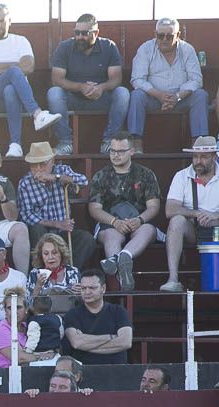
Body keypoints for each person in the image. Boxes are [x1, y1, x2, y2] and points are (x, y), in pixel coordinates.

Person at [0, 4, 60, 159]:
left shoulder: (21, 41)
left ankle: (15, 145)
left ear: (9, 21)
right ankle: (37, 114)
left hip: (17, 100)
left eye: (2, 20)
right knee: (14, 72)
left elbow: (29, 66)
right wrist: (13, 68)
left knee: (10, 89)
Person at [89, 130, 162, 292]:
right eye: (112, 151)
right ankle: (121, 282)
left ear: (131, 151)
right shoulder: (101, 176)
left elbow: (154, 206)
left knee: (148, 229)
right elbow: (94, 209)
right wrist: (114, 222)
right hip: (110, 224)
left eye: (121, 151)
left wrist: (139, 220)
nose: (115, 155)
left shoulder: (145, 174)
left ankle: (123, 257)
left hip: (139, 222)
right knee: (111, 236)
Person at [46, 14, 128, 155]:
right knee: (53, 93)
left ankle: (109, 142)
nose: (79, 37)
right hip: (73, 98)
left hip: (101, 98)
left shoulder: (109, 46)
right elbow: (57, 79)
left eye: (84, 33)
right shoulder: (65, 47)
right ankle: (65, 143)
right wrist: (81, 87)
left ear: (96, 33)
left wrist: (100, 88)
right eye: (77, 33)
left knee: (123, 93)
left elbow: (116, 79)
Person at [127, 17, 208, 152]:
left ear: (178, 35)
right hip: (153, 98)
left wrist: (177, 96)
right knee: (136, 96)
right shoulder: (145, 49)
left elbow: (196, 80)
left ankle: (199, 146)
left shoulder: (187, 50)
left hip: (181, 98)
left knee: (201, 95)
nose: (164, 39)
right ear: (155, 34)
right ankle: (136, 146)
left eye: (169, 36)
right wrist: (159, 95)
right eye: (160, 35)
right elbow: (137, 79)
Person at [16, 141, 94, 269]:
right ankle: (43, 272)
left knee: (87, 239)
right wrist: (56, 223)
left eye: (42, 164)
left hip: (62, 232)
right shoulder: (25, 183)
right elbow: (26, 215)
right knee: (36, 229)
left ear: (52, 161)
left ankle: (68, 272)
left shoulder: (62, 170)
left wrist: (56, 177)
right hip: (42, 233)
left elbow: (84, 181)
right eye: (34, 165)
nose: (38, 169)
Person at [164, 135, 219, 293]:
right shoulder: (181, 176)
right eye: (195, 156)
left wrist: (215, 215)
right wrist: (196, 213)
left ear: (214, 157)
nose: (198, 161)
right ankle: (173, 279)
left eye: (203, 157)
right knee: (176, 221)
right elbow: (170, 209)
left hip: (217, 229)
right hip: (194, 229)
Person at [62, 268, 132, 365]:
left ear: (103, 289)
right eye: (83, 288)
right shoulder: (72, 314)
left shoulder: (119, 312)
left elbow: (125, 342)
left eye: (92, 288)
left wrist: (86, 342)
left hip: (116, 371)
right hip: (84, 372)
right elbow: (77, 343)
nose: (87, 292)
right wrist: (110, 337)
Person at [0, 287, 56, 367]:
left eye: (18, 307)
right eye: (10, 308)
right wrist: (43, 357)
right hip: (2, 373)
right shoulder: (1, 329)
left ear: (26, 309)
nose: (14, 311)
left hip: (27, 370)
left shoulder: (28, 326)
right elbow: (20, 358)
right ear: (5, 310)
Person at [27, 233, 81, 312]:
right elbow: (30, 306)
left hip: (69, 316)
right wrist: (38, 285)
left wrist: (80, 293)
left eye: (54, 252)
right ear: (41, 256)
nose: (50, 257)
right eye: (46, 254)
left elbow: (80, 303)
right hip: (44, 317)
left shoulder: (73, 272)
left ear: (61, 254)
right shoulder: (35, 273)